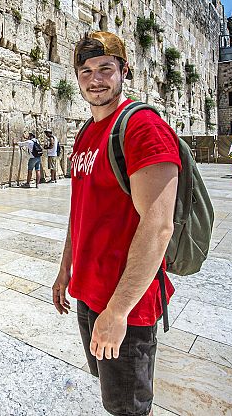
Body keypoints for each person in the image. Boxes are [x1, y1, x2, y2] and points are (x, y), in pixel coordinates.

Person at [52, 31, 179, 416]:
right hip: (89, 293)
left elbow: (158, 227)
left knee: (129, 408)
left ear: (125, 71)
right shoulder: (86, 133)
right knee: (111, 394)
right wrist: (64, 271)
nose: (95, 79)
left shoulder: (143, 128)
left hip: (127, 302)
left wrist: (118, 312)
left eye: (105, 68)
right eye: (86, 70)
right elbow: (81, 211)